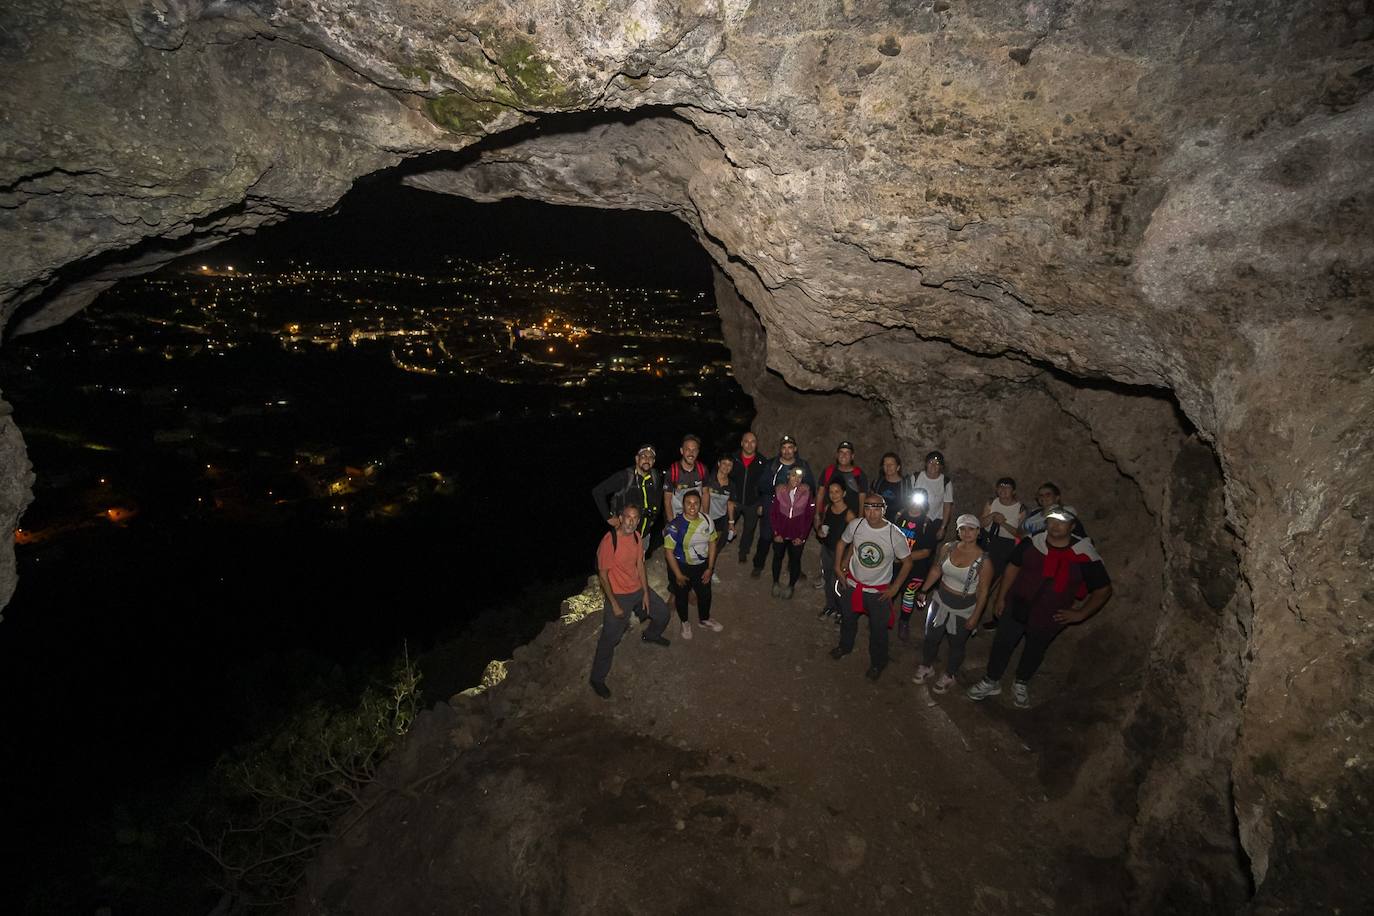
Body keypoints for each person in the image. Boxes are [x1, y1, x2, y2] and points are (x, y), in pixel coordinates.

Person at [966, 506, 1113, 708]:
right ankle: (992, 680)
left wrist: (1081, 613)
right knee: (1003, 643)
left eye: (1062, 522)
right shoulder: (1032, 543)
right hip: (1018, 603)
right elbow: (1013, 567)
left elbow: (1103, 589)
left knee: (1035, 649)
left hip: (1050, 613)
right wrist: (1001, 598)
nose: (1055, 526)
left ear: (1072, 525)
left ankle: (1021, 682)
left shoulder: (1083, 554)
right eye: (1052, 521)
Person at [589, 505, 671, 698]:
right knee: (610, 638)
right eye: (628, 517)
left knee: (663, 613)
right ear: (620, 518)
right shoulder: (610, 541)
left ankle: (650, 635)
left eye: (635, 518)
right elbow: (603, 575)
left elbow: (640, 565)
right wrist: (615, 604)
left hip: (637, 589)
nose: (631, 521)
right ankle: (597, 678)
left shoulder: (636, 537)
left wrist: (644, 591)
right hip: (618, 595)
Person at [830, 493, 913, 680]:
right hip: (853, 585)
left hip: (878, 592)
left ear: (884, 509)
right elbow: (843, 542)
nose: (872, 513)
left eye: (877, 508)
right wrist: (838, 566)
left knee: (878, 630)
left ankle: (878, 662)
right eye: (868, 507)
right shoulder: (857, 525)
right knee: (848, 619)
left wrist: (895, 588)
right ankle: (845, 646)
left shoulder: (894, 535)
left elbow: (907, 562)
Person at [912, 515, 991, 693]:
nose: (967, 532)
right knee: (931, 637)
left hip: (964, 608)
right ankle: (927, 665)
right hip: (941, 600)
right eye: (963, 529)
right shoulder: (948, 548)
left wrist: (975, 617)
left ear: (978, 532)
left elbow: (984, 591)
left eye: (971, 529)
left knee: (957, 644)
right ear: (958, 531)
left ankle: (950, 674)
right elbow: (937, 569)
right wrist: (924, 590)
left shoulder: (984, 561)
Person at [751, 434, 815, 577]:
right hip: (772, 503)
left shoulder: (802, 466)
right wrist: (768, 498)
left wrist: (805, 493)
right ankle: (758, 564)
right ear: (780, 450)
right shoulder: (772, 464)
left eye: (790, 448)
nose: (787, 451)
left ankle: (794, 567)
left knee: (796, 538)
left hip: (796, 507)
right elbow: (761, 485)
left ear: (795, 449)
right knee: (766, 536)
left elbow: (811, 485)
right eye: (784, 448)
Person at [663, 490, 723, 638]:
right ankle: (685, 623)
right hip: (681, 566)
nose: (692, 506)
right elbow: (668, 552)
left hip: (701, 566)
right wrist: (677, 575)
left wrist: (710, 567)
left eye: (696, 503)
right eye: (688, 503)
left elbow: (712, 543)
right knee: (681, 596)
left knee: (705, 594)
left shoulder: (707, 520)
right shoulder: (675, 526)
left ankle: (704, 619)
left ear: (700, 504)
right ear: (683, 505)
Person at [591, 444, 662, 554]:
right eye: (643, 456)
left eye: (650, 457)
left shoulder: (655, 477)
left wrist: (653, 518)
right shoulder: (625, 477)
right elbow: (598, 492)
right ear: (637, 459)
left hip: (644, 536)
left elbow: (658, 499)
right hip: (624, 536)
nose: (647, 460)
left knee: (639, 564)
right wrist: (608, 517)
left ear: (653, 461)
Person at [892, 487, 941, 641]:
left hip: (916, 568)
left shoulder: (927, 524)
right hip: (894, 566)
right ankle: (884, 616)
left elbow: (926, 552)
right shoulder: (899, 516)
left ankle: (904, 622)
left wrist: (902, 557)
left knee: (908, 595)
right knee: (889, 591)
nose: (915, 504)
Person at [769, 467, 812, 598]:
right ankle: (775, 583)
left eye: (799, 477)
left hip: (796, 535)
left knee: (795, 560)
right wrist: (776, 533)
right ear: (788, 476)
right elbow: (773, 513)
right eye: (793, 476)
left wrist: (802, 536)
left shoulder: (806, 493)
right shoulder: (780, 491)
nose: (796, 479)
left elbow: (809, 517)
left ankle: (791, 586)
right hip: (780, 533)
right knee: (777, 557)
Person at [816, 480, 856, 619]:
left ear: (844, 493)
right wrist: (820, 532)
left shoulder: (849, 515)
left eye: (837, 491)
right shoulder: (828, 508)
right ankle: (830, 606)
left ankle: (842, 611)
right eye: (831, 492)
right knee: (827, 579)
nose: (834, 495)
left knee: (838, 583)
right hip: (827, 549)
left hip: (841, 554)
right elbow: (822, 526)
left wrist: (846, 560)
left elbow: (855, 540)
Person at [729, 431, 769, 565]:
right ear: (741, 443)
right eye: (746, 441)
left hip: (753, 502)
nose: (749, 444)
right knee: (725, 525)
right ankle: (718, 546)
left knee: (749, 529)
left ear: (756, 444)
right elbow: (722, 476)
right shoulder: (733, 458)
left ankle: (743, 552)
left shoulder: (762, 461)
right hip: (734, 500)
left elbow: (767, 484)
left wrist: (762, 503)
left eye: (753, 441)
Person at [980, 477, 1026, 578]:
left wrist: (1003, 523)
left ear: (1014, 491)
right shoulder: (991, 503)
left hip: (1005, 545)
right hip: (987, 538)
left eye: (1007, 487)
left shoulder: (1020, 509)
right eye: (1001, 486)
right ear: (996, 489)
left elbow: (1020, 534)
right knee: (979, 569)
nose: (1003, 489)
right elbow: (981, 524)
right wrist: (992, 515)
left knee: (994, 572)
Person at [816, 440, 868, 520]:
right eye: (841, 452)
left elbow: (862, 500)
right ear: (837, 455)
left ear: (852, 456)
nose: (844, 455)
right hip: (829, 517)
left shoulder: (859, 475)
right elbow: (820, 494)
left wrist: (860, 520)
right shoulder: (829, 471)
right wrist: (817, 515)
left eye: (847, 452)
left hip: (850, 519)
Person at [663, 434, 707, 520]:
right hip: (677, 515)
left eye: (694, 450)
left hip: (696, 517)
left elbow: (705, 494)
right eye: (688, 449)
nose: (691, 453)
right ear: (682, 451)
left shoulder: (702, 470)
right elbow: (667, 501)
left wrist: (705, 518)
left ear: (698, 452)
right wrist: (672, 523)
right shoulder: (672, 472)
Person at [703, 456, 737, 566]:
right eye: (724, 463)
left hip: (720, 520)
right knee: (701, 545)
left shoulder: (731, 485)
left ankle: (709, 569)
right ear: (718, 464)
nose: (726, 467)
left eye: (729, 465)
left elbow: (730, 503)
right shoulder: (708, 479)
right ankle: (698, 569)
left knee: (714, 546)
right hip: (705, 518)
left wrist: (731, 523)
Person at [912, 451, 953, 539]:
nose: (933, 465)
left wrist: (943, 527)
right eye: (930, 462)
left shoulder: (945, 482)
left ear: (941, 466)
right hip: (917, 517)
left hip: (935, 519)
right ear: (926, 464)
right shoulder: (916, 477)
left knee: (929, 546)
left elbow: (947, 505)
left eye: (937, 463)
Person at [1022, 482, 1087, 538]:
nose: (1044, 497)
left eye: (1048, 495)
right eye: (1041, 495)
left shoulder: (1067, 510)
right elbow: (1021, 531)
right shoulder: (1034, 512)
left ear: (1057, 497)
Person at [873, 452, 907, 522]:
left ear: (898, 467)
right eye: (885, 464)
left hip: (897, 521)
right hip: (878, 519)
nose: (888, 467)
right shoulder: (877, 482)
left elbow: (908, 504)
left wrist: (899, 515)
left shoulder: (905, 485)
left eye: (891, 464)